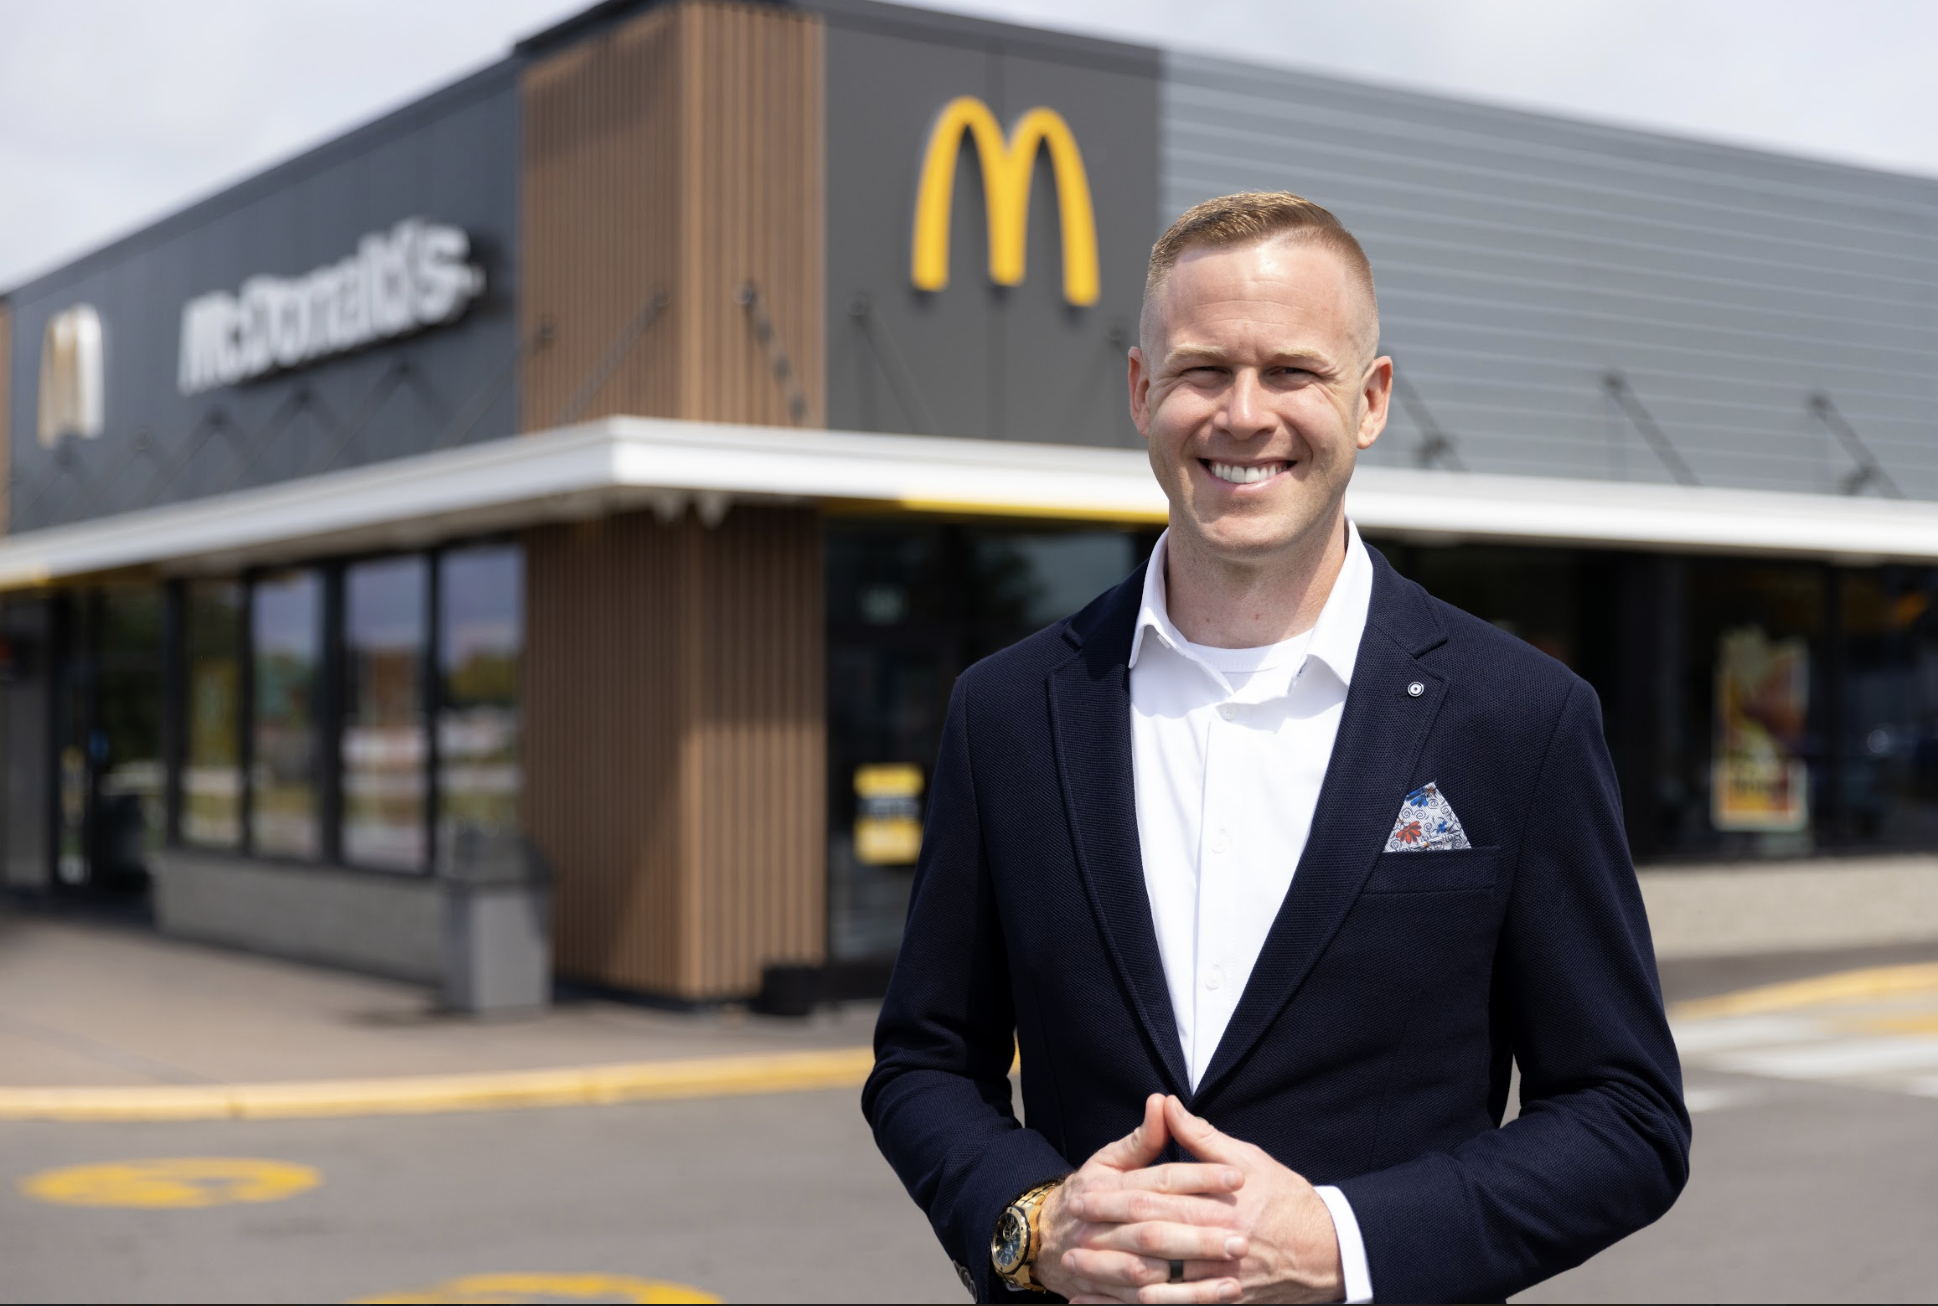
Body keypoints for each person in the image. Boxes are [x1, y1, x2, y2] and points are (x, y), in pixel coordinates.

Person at [862, 191, 1688, 1304]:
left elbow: (1625, 1116)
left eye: (1293, 371)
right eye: (1202, 370)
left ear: (1371, 400)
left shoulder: (1519, 718)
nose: (1243, 415)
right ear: (1141, 391)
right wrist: (1032, 1223)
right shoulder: (1007, 710)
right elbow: (924, 1064)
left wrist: (1339, 1242)